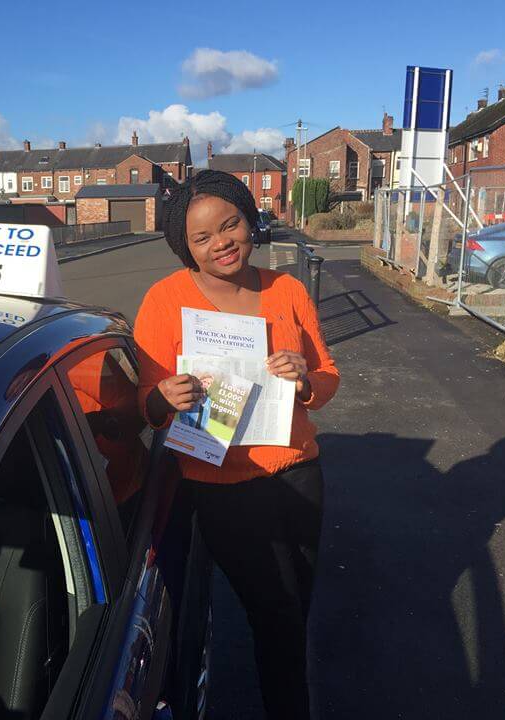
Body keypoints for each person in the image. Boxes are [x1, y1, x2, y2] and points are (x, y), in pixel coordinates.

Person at [134, 170, 340, 719]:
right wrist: (164, 397)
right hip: (221, 485)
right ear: (186, 247)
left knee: (296, 602)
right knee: (274, 611)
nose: (222, 242)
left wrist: (303, 381)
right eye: (203, 238)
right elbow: (146, 407)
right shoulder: (164, 300)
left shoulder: (287, 289)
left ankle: (290, 689)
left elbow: (327, 376)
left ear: (250, 221)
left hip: (299, 471)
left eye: (231, 225)